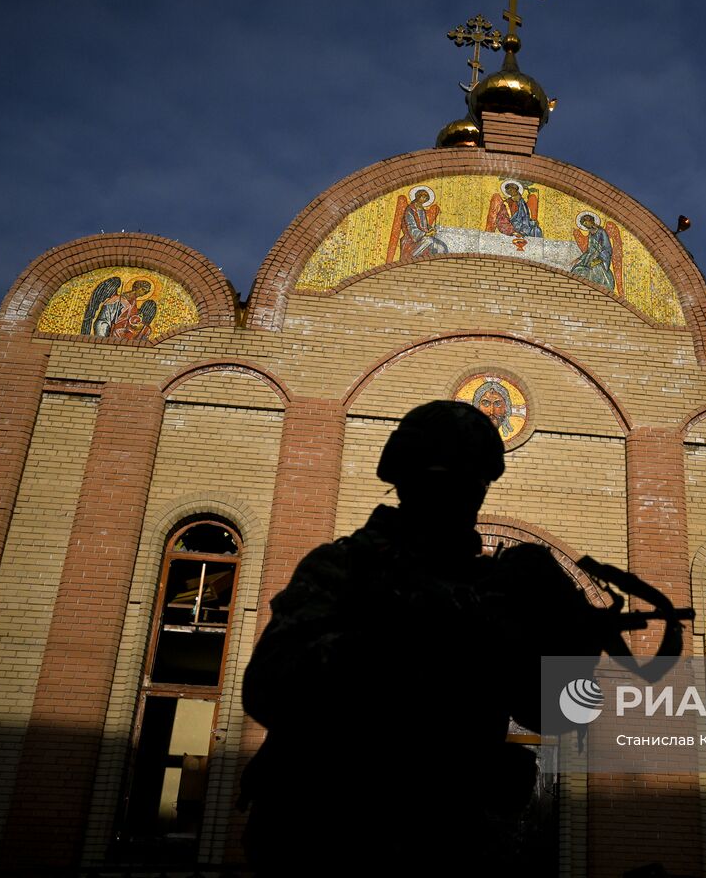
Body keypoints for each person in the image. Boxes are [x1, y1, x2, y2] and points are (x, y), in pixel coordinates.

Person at [239, 401, 602, 875]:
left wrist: (567, 630)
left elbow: (554, 709)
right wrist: (426, 623)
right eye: (443, 476)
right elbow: (269, 688)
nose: (461, 495)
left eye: (475, 481)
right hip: (328, 842)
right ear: (407, 482)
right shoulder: (346, 570)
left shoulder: (487, 592)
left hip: (440, 846)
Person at [570, 214, 615, 291]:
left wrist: (599, 259)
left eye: (587, 222)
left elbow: (607, 248)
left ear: (592, 221)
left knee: (594, 269)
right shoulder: (590, 234)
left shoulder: (601, 232)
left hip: (600, 258)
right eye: (584, 224)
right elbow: (589, 250)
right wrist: (579, 258)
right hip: (589, 257)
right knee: (577, 269)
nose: (586, 225)